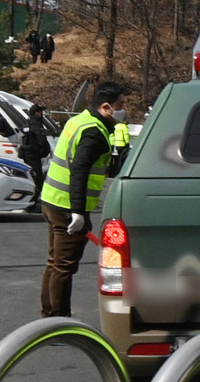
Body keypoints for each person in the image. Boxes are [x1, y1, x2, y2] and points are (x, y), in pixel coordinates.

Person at [37, 81, 126, 319]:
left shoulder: (78, 120)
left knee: (55, 263)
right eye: (120, 106)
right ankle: (58, 321)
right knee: (64, 267)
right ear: (106, 107)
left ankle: (48, 317)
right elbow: (80, 170)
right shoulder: (94, 133)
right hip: (68, 207)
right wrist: (78, 212)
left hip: (51, 200)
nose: (123, 110)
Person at [18, 102, 52, 184]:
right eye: (40, 112)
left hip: (30, 155)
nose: (42, 114)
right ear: (36, 113)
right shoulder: (36, 125)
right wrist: (44, 151)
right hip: (33, 156)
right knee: (37, 180)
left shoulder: (30, 123)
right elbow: (42, 141)